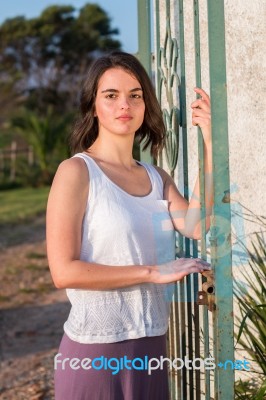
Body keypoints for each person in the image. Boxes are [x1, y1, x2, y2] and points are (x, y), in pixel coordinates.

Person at [46, 51, 213, 400]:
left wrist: (211, 143)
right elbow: (64, 272)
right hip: (95, 351)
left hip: (151, 344)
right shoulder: (76, 172)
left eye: (135, 95)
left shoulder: (157, 177)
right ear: (93, 106)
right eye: (111, 95)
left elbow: (197, 224)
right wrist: (153, 272)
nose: (125, 104)